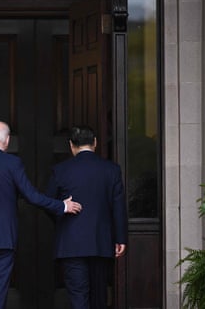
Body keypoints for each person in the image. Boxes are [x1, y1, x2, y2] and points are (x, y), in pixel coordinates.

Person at [0, 121, 82, 309]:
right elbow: (31, 196)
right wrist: (61, 206)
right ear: (6, 140)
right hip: (3, 238)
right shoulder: (12, 163)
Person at [46, 125, 128, 309]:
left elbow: (48, 204)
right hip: (101, 242)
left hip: (71, 243)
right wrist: (120, 238)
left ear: (71, 145)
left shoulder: (60, 170)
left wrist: (62, 217)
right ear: (95, 143)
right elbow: (118, 206)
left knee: (78, 296)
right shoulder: (111, 169)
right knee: (99, 297)